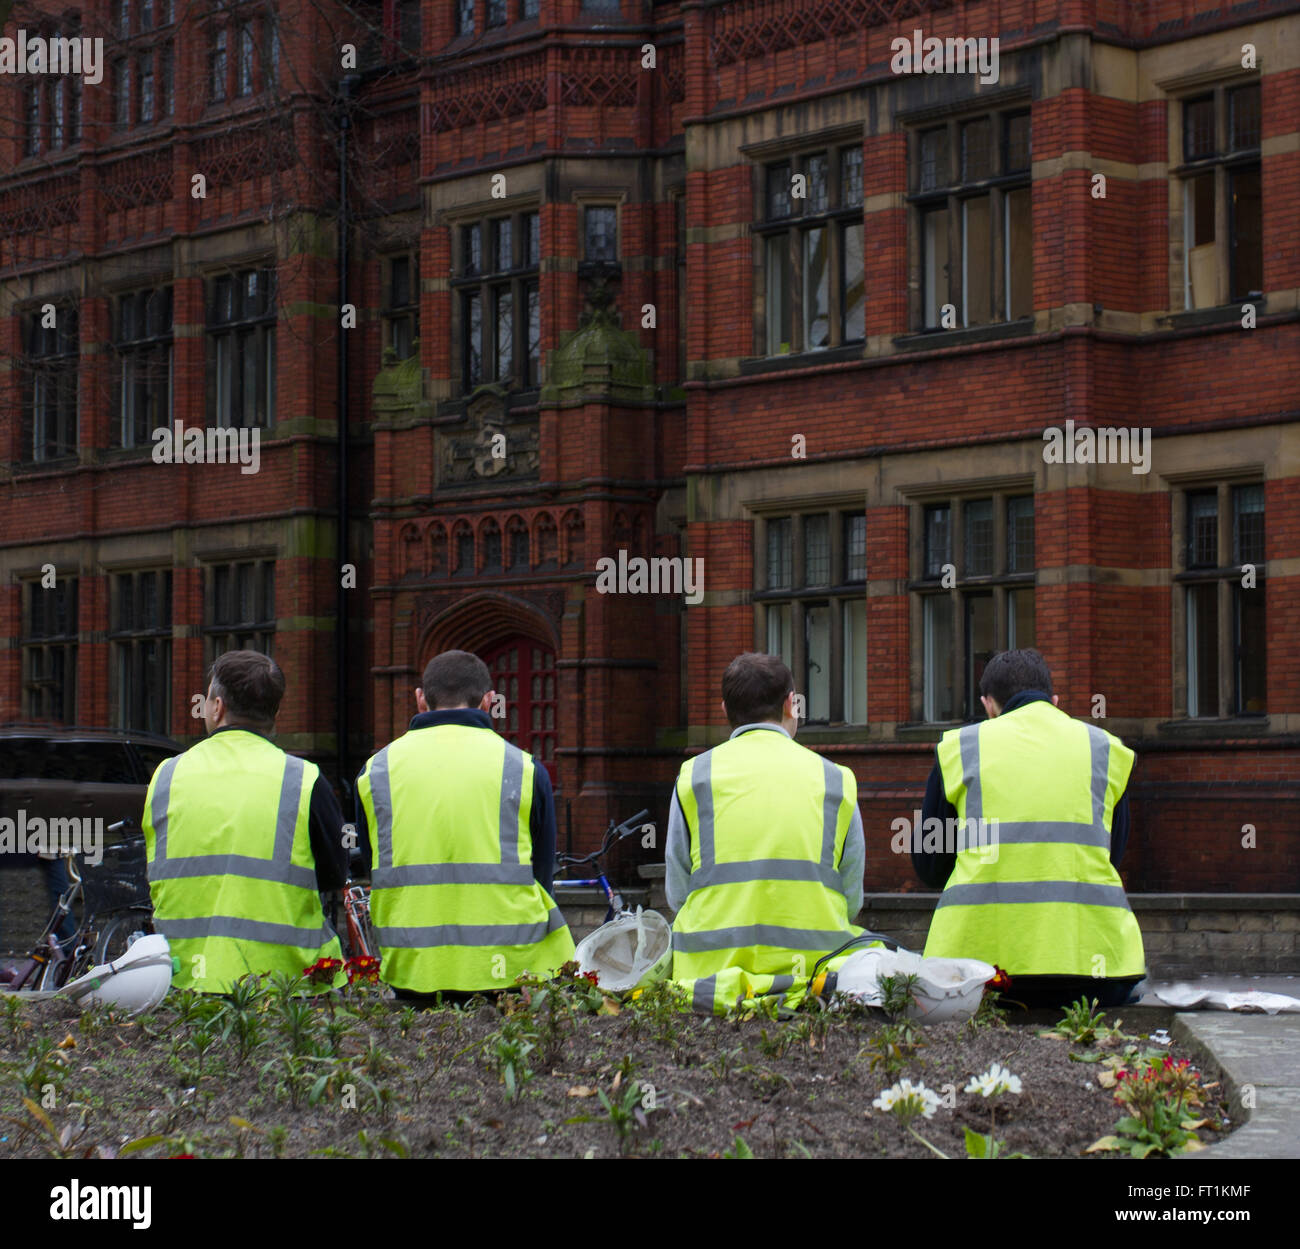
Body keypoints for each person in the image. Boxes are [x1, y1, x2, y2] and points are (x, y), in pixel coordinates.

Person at [914, 648, 1145, 1008]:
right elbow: (1109, 855)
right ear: (1055, 701)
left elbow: (929, 866)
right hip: (1095, 974)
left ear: (988, 705)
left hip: (977, 976)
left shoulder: (960, 749)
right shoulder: (1103, 749)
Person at [354, 649, 574, 1001]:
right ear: (488, 701)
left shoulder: (375, 772)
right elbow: (542, 874)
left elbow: (376, 866)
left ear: (420, 700)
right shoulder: (524, 769)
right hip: (508, 967)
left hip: (413, 967)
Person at [666, 652, 867, 1014]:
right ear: (792, 704)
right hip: (814, 985)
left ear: (725, 709)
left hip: (707, 988)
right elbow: (851, 898)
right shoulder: (835, 779)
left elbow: (678, 893)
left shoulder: (694, 776)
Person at [143, 650, 349, 994]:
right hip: (286, 982)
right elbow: (334, 874)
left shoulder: (167, 775)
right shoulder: (303, 780)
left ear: (217, 707)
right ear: (276, 714)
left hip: (183, 979)